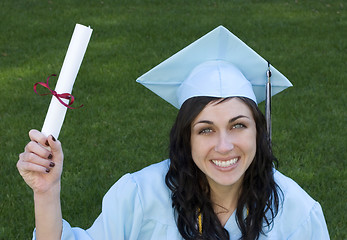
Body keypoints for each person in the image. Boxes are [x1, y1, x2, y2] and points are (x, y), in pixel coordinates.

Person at [17, 26, 330, 240]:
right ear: (186, 138)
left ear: (258, 132)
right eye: (205, 130)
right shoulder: (139, 196)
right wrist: (46, 193)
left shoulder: (297, 212)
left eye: (238, 125)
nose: (224, 146)